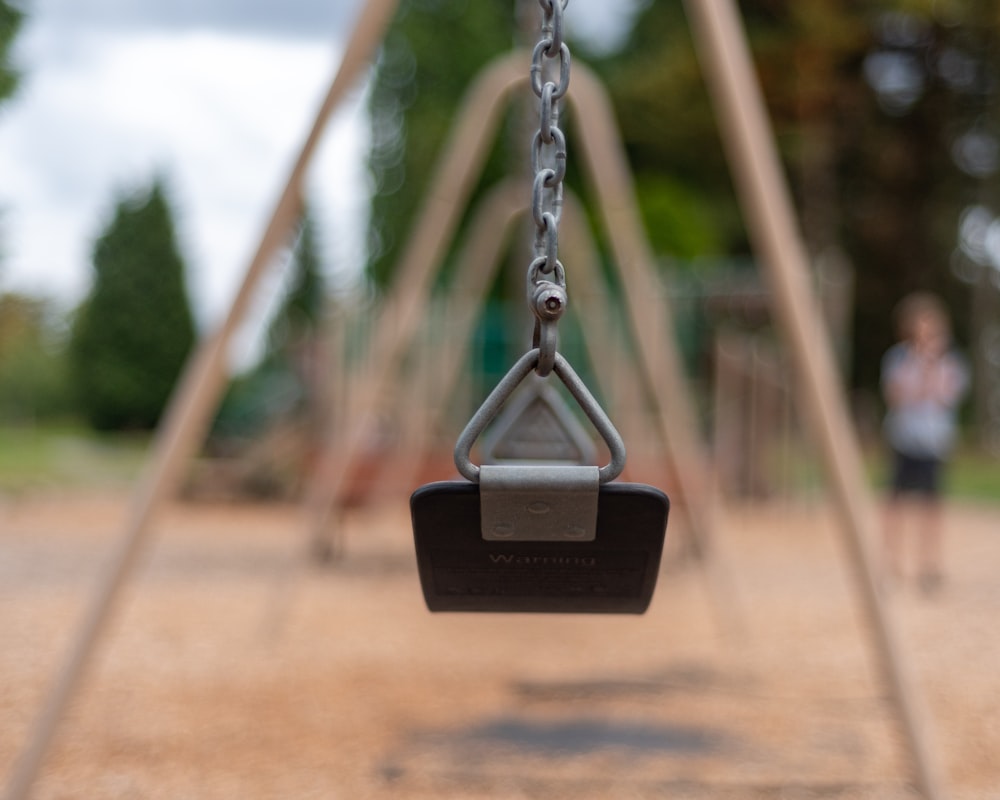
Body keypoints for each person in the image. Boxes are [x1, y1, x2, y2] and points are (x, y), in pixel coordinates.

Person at [881, 292, 969, 594]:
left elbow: (946, 396)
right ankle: (889, 562)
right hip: (904, 438)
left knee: (932, 506)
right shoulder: (897, 358)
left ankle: (928, 564)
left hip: (933, 442)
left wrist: (928, 372)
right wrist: (921, 374)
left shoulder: (950, 362)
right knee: (896, 502)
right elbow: (896, 395)